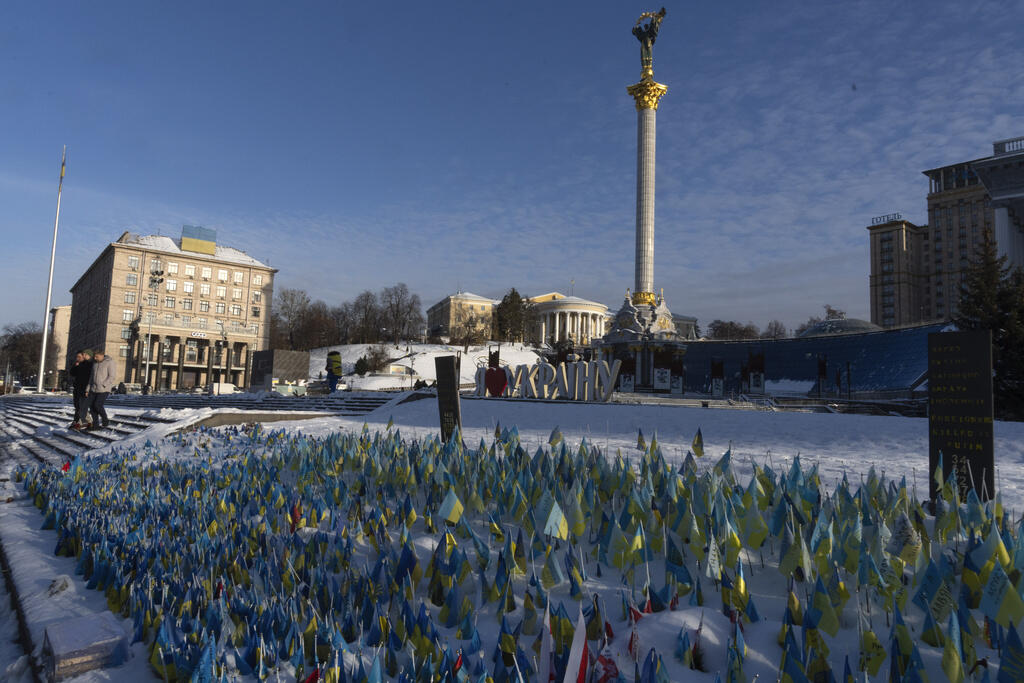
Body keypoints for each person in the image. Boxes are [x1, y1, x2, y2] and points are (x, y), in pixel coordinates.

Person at [87, 348, 116, 430]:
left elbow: (112, 376)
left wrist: (104, 384)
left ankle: (105, 419)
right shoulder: (95, 363)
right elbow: (91, 377)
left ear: (102, 355)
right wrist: (87, 388)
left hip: (104, 389)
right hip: (93, 389)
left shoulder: (109, 362)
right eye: (94, 357)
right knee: (92, 407)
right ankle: (95, 425)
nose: (95, 358)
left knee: (97, 405)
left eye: (97, 357)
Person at [67, 350, 93, 429]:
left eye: (79, 357)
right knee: (77, 406)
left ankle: (80, 422)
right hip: (77, 388)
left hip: (84, 388)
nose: (77, 358)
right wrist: (75, 366)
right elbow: (72, 373)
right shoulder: (78, 364)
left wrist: (88, 389)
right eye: (77, 357)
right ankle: (87, 421)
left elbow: (89, 377)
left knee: (81, 406)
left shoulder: (88, 364)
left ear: (84, 356)